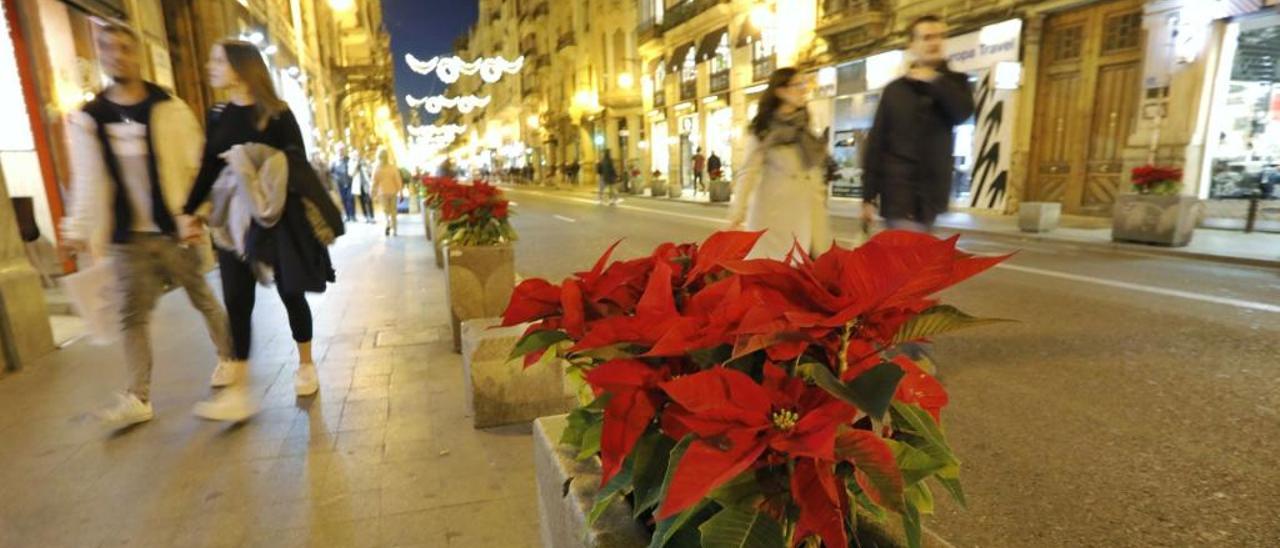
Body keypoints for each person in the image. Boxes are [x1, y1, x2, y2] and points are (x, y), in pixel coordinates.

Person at [60, 24, 237, 428]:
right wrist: (74, 230)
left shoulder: (168, 108)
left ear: (137, 54)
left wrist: (199, 213)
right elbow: (86, 179)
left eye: (125, 48)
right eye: (108, 48)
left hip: (174, 228)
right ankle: (138, 397)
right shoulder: (91, 118)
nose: (117, 55)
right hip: (127, 238)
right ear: (100, 55)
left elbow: (197, 164)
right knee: (132, 315)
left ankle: (230, 358)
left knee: (201, 295)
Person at [183, 39, 330, 420]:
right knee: (236, 299)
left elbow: (297, 163)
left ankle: (306, 363)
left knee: (289, 291)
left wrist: (258, 165)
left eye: (218, 59)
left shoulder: (277, 114)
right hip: (233, 220)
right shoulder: (217, 114)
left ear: (242, 66)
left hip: (276, 217)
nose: (210, 65)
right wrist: (188, 211)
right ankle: (241, 391)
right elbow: (208, 167)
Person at [862, 15, 975, 233]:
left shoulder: (956, 83)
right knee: (905, 257)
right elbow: (876, 143)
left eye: (940, 36)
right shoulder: (895, 90)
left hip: (931, 192)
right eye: (927, 37)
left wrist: (934, 80)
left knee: (914, 258)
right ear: (912, 45)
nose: (935, 42)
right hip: (898, 191)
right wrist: (868, 197)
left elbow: (962, 113)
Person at [726, 67, 831, 260]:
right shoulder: (763, 129)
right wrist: (738, 212)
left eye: (804, 84)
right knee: (779, 275)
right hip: (775, 217)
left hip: (808, 211)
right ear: (780, 91)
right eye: (797, 85)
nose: (803, 90)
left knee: (811, 275)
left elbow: (813, 169)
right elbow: (748, 172)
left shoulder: (804, 126)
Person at [374, 150, 403, 236]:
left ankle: (387, 223)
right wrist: (400, 191)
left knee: (385, 211)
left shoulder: (377, 168)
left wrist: (373, 192)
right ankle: (395, 230)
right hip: (393, 192)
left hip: (382, 193)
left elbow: (374, 182)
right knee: (393, 211)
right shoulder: (392, 168)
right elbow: (398, 180)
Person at [331, 152, 355, 222]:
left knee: (350, 199)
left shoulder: (347, 159)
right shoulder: (334, 161)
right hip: (341, 184)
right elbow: (331, 172)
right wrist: (336, 177)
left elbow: (352, 167)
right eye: (339, 150)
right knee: (344, 200)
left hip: (349, 182)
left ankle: (353, 216)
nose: (341, 152)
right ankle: (347, 216)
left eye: (342, 150)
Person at [352, 155, 375, 223]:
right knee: (362, 202)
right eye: (356, 157)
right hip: (359, 186)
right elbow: (351, 173)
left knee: (369, 201)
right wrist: (356, 165)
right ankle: (366, 216)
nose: (358, 158)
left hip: (366, 185)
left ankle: (372, 216)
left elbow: (370, 172)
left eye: (358, 157)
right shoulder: (352, 163)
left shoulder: (365, 163)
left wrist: (367, 165)